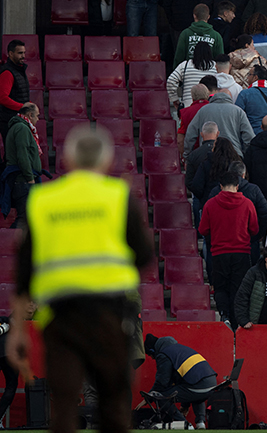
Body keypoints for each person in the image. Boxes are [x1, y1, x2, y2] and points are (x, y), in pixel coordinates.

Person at [6, 125, 153, 433]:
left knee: (63, 408)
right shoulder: (118, 196)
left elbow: (23, 273)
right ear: (107, 159)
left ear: (68, 160)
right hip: (110, 316)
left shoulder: (43, 200)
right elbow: (143, 256)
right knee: (114, 409)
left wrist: (17, 330)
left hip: (60, 319)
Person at [198, 171, 259, 327]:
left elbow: (203, 229)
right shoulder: (247, 204)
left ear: (220, 186)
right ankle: (237, 320)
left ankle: (224, 315)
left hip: (219, 253)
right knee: (238, 288)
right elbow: (254, 229)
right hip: (241, 253)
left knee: (220, 288)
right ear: (237, 186)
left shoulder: (210, 204)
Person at [143, 334, 217, 429]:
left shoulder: (164, 354)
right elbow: (187, 380)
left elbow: (162, 381)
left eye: (150, 355)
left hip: (198, 385)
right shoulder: (179, 349)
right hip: (211, 384)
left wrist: (150, 396)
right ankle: (200, 423)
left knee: (161, 397)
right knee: (197, 394)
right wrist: (185, 405)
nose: (152, 358)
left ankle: (184, 425)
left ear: (152, 351)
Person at [183, 87, 254, 159]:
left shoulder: (203, 110)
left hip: (207, 154)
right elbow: (249, 136)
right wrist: (245, 154)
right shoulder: (238, 111)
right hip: (233, 154)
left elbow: (190, 134)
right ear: (230, 98)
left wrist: (187, 154)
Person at [2, 103, 42, 227]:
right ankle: (11, 239)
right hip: (23, 181)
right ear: (30, 115)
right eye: (37, 115)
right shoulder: (22, 128)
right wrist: (30, 178)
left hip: (22, 180)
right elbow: (22, 155)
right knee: (24, 219)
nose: (38, 119)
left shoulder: (20, 127)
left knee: (26, 219)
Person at [235, 65, 267, 135]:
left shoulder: (244, 94)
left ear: (255, 77)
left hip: (252, 135)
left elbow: (237, 117)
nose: (247, 77)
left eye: (249, 74)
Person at [167, 41, 218, 108]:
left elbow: (170, 81)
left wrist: (174, 99)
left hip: (188, 107)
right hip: (210, 107)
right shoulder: (216, 66)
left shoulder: (185, 65)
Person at [0, 40, 30, 152]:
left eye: (24, 52)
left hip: (17, 119)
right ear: (11, 54)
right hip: (9, 121)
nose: (23, 56)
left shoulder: (18, 70)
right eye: (20, 53)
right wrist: (22, 106)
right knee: (13, 154)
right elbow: (2, 98)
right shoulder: (8, 73)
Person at [174, 3, 224, 67]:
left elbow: (179, 58)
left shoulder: (185, 34)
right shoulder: (216, 36)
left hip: (189, 71)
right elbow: (220, 60)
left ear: (194, 16)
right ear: (208, 17)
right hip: (209, 72)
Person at [177, 81, 216, 149]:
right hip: (213, 149)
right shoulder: (215, 110)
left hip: (193, 151)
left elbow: (180, 140)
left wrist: (185, 154)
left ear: (192, 97)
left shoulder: (184, 112)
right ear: (207, 95)